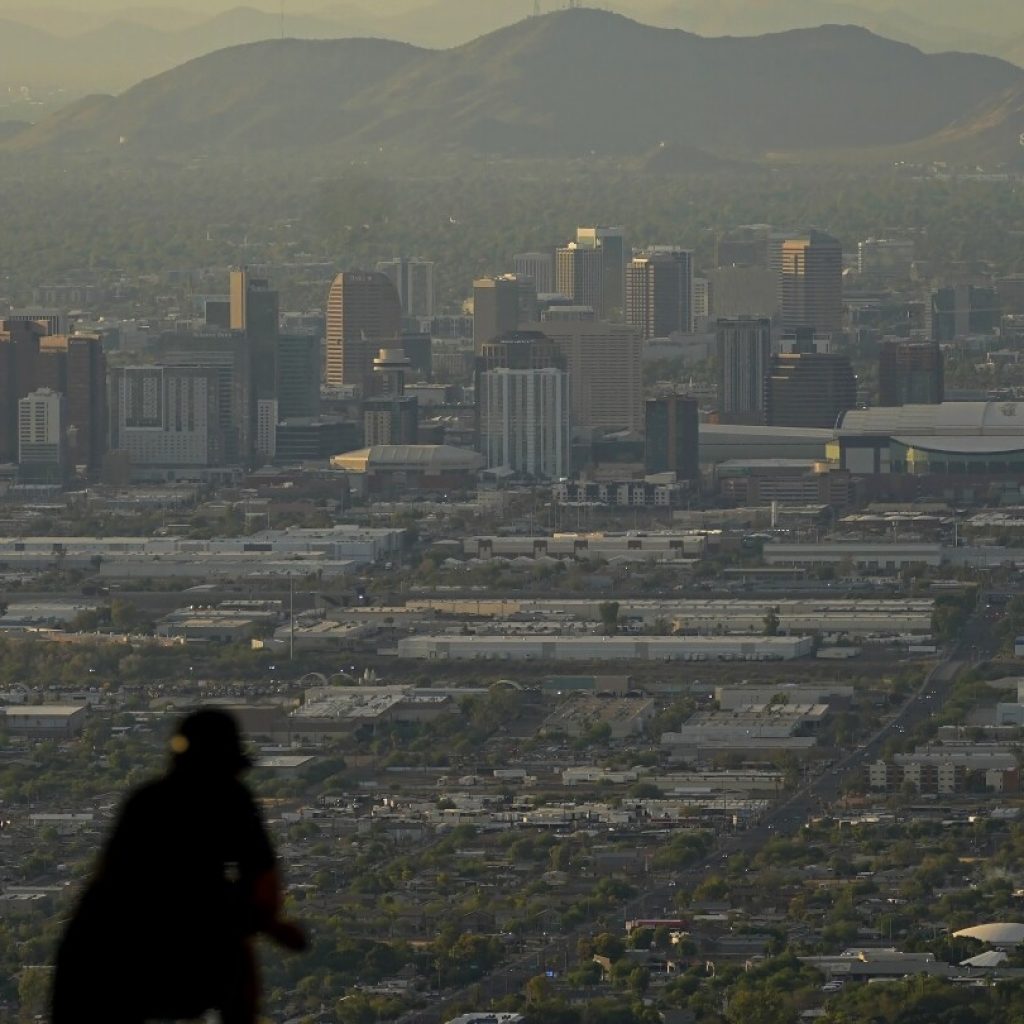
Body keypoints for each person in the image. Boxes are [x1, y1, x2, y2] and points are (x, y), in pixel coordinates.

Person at [52, 708, 306, 1024]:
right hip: (151, 952)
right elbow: (261, 890)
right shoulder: (230, 801)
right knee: (238, 961)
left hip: (93, 956)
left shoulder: (145, 801)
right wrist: (272, 926)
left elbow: (129, 884)